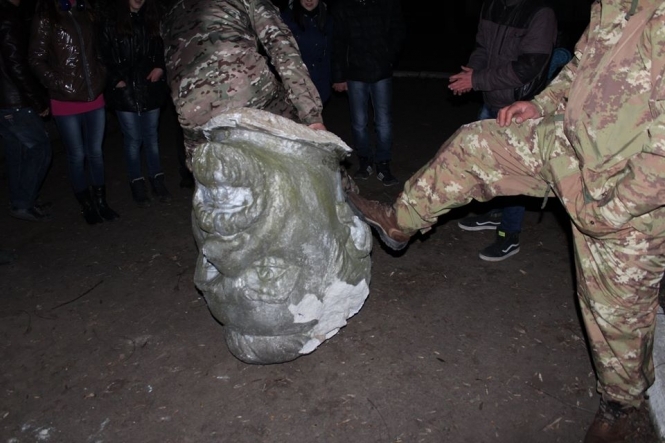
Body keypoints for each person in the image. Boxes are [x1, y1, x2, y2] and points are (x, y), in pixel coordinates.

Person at [346, 0, 665, 441]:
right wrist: (541, 104)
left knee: (614, 311)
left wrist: (608, 210)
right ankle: (401, 220)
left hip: (631, 184)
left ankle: (622, 406)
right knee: (475, 143)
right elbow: (579, 69)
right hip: (571, 143)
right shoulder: (612, 6)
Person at [448, 0, 557, 262]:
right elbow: (483, 47)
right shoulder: (493, 5)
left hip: (520, 106)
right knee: (486, 167)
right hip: (491, 100)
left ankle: (509, 235)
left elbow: (526, 68)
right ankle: (495, 212)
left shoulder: (541, 13)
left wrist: (476, 80)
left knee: (514, 173)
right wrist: (473, 72)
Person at [161, 0, 326, 160]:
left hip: (190, 108)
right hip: (247, 88)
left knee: (216, 174)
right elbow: (282, 50)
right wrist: (311, 116)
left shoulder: (171, 11)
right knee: (313, 153)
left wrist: (193, 152)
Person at [29, 0, 119, 225]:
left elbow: (98, 49)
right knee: (77, 155)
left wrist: (101, 74)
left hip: (93, 95)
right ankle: (86, 205)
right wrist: (59, 83)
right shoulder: (46, 15)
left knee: (96, 153)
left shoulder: (85, 10)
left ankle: (101, 202)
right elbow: (35, 58)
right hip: (65, 99)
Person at [100, 0, 172, 207]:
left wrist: (160, 66)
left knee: (151, 137)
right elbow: (103, 54)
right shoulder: (111, 22)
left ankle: (157, 180)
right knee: (133, 139)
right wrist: (116, 80)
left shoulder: (154, 20)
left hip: (150, 87)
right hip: (125, 91)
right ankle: (137, 183)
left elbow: (165, 47)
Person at [331, 0, 406, 186]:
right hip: (354, 73)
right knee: (358, 123)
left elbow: (398, 31)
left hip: (381, 72)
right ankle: (365, 161)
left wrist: (388, 57)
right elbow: (337, 41)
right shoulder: (343, 6)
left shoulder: (387, 4)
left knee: (384, 122)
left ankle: (383, 163)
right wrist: (339, 76)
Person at [0, 0, 52, 222]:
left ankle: (21, 199)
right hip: (14, 101)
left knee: (17, 153)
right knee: (40, 148)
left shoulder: (9, 16)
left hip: (5, 103)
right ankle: (23, 202)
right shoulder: (7, 19)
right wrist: (37, 101)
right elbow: (16, 65)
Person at [281, 0, 334, 105]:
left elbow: (333, 50)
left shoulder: (328, 19)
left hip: (321, 80)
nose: (309, 0)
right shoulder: (284, 20)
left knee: (316, 117)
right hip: (295, 79)